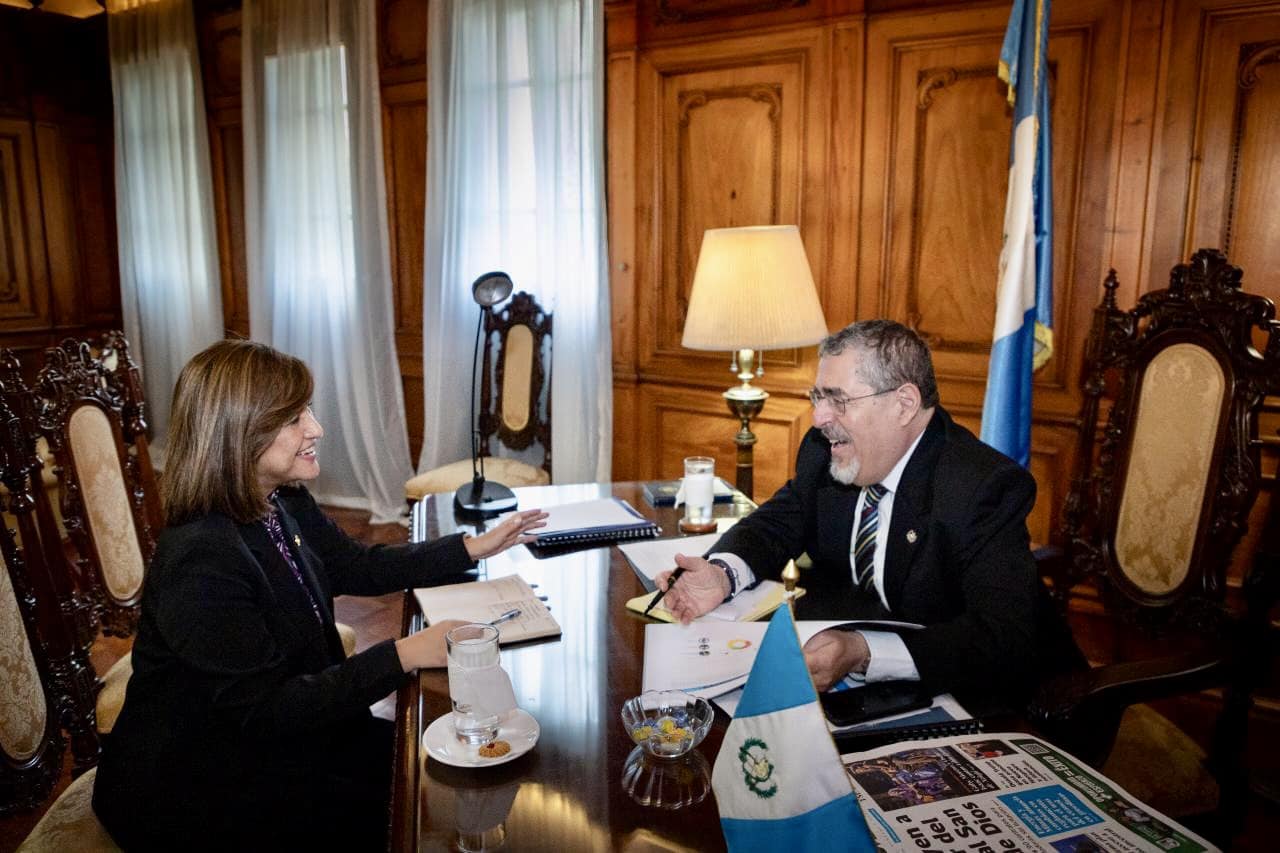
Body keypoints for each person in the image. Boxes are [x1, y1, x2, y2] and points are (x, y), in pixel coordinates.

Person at [92, 339, 547, 851]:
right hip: (197, 782)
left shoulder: (278, 498)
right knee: (416, 808)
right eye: (294, 418)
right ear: (239, 433)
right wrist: (402, 654)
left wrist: (470, 546)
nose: (316, 428)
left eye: (306, 410)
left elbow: (355, 565)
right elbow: (266, 712)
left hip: (289, 735)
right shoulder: (201, 559)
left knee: (442, 772)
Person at [656, 320, 1081, 709]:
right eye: (818, 397)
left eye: (838, 400)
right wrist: (723, 572)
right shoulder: (828, 449)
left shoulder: (982, 487)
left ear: (903, 404)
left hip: (1006, 702)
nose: (820, 418)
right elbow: (779, 520)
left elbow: (1001, 637)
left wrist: (865, 651)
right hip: (882, 696)